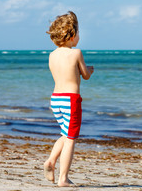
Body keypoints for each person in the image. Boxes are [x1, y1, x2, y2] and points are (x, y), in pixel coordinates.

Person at [43, 11, 94, 187]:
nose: (79, 36)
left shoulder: (52, 55)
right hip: (71, 100)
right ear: (72, 35)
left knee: (65, 134)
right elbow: (85, 75)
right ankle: (63, 178)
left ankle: (50, 161)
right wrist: (90, 69)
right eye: (78, 33)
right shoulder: (76, 53)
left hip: (56, 99)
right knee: (71, 139)